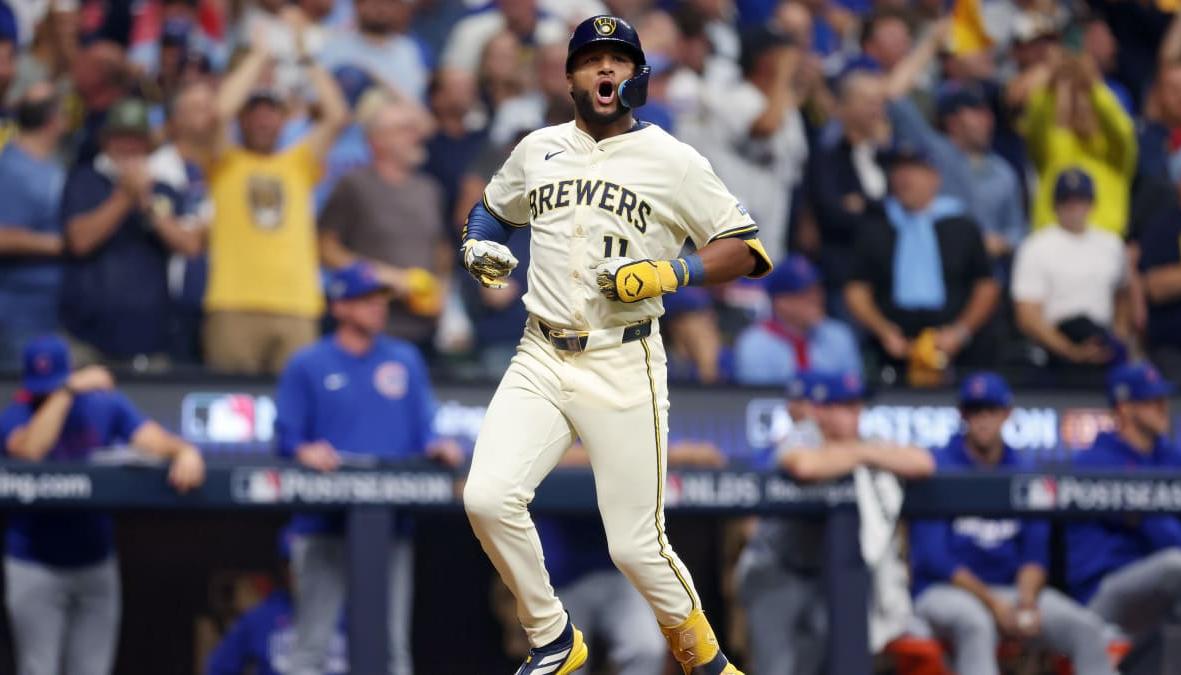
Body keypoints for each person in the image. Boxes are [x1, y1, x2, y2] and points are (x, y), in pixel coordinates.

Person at [459, 15, 773, 675]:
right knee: (486, 496)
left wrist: (670, 272)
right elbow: (491, 208)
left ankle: (708, 662)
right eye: (591, 61)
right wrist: (480, 242)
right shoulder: (536, 147)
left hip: (622, 356)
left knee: (634, 544)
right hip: (540, 351)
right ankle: (552, 637)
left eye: (618, 61)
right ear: (569, 76)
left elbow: (746, 249)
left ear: (638, 77)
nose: (605, 70)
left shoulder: (672, 158)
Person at [274, 262, 463, 675]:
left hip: (389, 525)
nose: (378, 306)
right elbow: (285, 437)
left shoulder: (405, 360)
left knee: (392, 648)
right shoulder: (308, 363)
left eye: (381, 299)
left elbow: (424, 430)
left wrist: (438, 447)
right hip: (323, 525)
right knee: (311, 647)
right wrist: (304, 450)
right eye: (365, 299)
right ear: (340, 306)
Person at [1, 334, 204, 675]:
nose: (47, 393)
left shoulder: (103, 405)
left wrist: (185, 451)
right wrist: (66, 392)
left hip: (95, 563)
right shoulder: (16, 414)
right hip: (34, 564)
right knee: (38, 670)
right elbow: (32, 449)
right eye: (44, 388)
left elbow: (153, 439)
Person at [909, 372, 1116, 675]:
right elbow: (935, 559)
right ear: (962, 414)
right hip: (946, 592)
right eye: (974, 410)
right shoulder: (939, 465)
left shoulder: (1023, 469)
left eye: (991, 410)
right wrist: (994, 604)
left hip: (1010, 592)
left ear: (1007, 414)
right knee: (976, 624)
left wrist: (1027, 602)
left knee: (1085, 628)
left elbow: (1035, 554)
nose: (983, 420)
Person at [736, 371, 934, 675]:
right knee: (776, 669)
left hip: (823, 577)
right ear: (821, 411)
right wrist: (866, 454)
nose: (855, 416)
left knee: (817, 666)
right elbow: (804, 465)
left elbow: (923, 463)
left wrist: (861, 452)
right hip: (775, 570)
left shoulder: (866, 443)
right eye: (845, 407)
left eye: (857, 407)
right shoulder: (804, 435)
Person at [203, 25, 347, 374]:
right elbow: (218, 112)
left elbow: (337, 115)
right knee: (231, 410)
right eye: (255, 112)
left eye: (272, 112)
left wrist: (307, 57)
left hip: (297, 305)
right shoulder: (225, 161)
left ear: (285, 119)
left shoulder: (298, 163)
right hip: (233, 303)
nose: (264, 119)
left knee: (299, 412)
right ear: (243, 119)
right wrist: (258, 57)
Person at [60, 98, 200, 364]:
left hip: (151, 338)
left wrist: (147, 203)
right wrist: (125, 196)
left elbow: (189, 245)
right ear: (105, 140)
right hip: (87, 340)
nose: (128, 146)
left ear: (147, 143)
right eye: (120, 137)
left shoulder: (163, 188)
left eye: (136, 138)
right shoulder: (84, 179)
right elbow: (79, 240)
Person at [844, 142, 1000, 376]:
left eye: (914, 170)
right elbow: (856, 289)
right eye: (899, 170)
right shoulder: (875, 225)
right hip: (892, 347)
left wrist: (960, 332)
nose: (905, 178)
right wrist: (883, 330)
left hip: (954, 347)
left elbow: (986, 286)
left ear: (934, 178)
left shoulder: (961, 225)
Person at [318, 98, 449, 353]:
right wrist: (384, 277)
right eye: (404, 129)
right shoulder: (354, 185)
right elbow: (324, 248)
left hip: (423, 328)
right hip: (369, 328)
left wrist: (442, 287)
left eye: (415, 129)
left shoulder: (430, 189)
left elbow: (441, 247)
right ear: (376, 141)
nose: (415, 136)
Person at [1067, 363, 1181, 645]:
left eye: (1162, 399)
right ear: (1125, 408)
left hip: (1159, 593)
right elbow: (1162, 535)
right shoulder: (1095, 461)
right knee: (1174, 564)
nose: (1162, 407)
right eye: (1151, 401)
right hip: (1103, 594)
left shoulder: (1168, 455)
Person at [1012, 168, 1128, 368]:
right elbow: (1027, 315)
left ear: (1092, 204)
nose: (1074, 208)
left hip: (1101, 340)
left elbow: (1123, 294)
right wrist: (1070, 351)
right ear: (1055, 206)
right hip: (1054, 346)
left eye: (1081, 200)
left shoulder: (1111, 244)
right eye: (1067, 201)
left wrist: (1119, 336)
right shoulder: (1036, 246)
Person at [206, 529, 348, 675]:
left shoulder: (350, 613)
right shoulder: (260, 618)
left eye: (306, 562)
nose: (298, 570)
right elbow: (219, 668)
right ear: (282, 568)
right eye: (290, 563)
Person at [0, 83, 67, 368]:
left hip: (49, 309)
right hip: (19, 312)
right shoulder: (13, 168)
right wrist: (60, 244)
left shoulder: (49, 163)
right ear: (54, 119)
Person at [733, 254, 861, 385]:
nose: (816, 299)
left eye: (818, 290)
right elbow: (757, 401)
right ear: (781, 302)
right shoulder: (755, 345)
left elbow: (853, 390)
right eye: (805, 293)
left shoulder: (838, 335)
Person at [318, 0, 430, 101]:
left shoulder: (408, 49)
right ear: (357, 5)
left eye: (388, 3)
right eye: (373, 2)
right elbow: (316, 96)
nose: (380, 8)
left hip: (400, 118)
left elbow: (416, 98)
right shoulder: (335, 45)